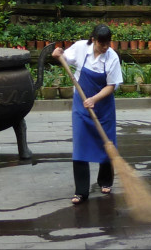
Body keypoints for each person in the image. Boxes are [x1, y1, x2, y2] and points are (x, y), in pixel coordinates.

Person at [52, 24, 123, 204]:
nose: (105, 47)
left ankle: (105, 181)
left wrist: (94, 99)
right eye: (102, 43)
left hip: (103, 106)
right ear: (94, 40)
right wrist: (58, 54)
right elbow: (63, 57)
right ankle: (81, 191)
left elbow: (111, 86)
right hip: (81, 106)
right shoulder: (81, 48)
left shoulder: (112, 57)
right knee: (81, 145)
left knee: (106, 142)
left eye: (108, 43)